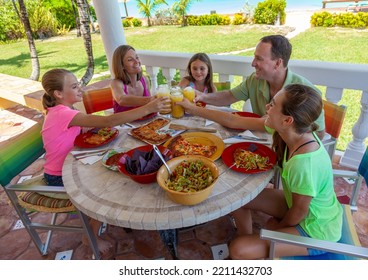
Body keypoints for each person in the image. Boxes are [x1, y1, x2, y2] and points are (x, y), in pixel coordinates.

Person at [40, 68, 170, 258]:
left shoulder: (63, 110)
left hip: (68, 164)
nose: (80, 89)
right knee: (104, 187)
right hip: (59, 176)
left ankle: (117, 217)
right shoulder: (63, 114)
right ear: (58, 94)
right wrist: (149, 108)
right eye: (75, 86)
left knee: (114, 168)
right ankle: (89, 236)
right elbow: (109, 120)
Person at [228, 84, 342, 260]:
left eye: (273, 104)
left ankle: (250, 249)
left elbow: (299, 212)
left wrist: (279, 228)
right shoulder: (294, 135)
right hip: (298, 207)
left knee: (237, 250)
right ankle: (248, 238)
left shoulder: (305, 163)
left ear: (288, 120)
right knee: (238, 198)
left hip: (316, 229)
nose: (267, 107)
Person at [194, 35, 325, 139]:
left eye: (259, 58)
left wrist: (278, 127)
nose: (253, 63)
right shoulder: (255, 80)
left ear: (278, 63)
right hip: (259, 142)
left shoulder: (305, 94)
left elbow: (319, 133)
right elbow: (229, 96)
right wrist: (202, 96)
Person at [110, 45, 155, 113]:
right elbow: (122, 100)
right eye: (130, 60)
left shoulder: (144, 79)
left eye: (136, 57)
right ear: (121, 65)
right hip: (125, 123)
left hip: (148, 122)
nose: (136, 61)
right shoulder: (116, 83)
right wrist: (151, 100)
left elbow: (150, 106)